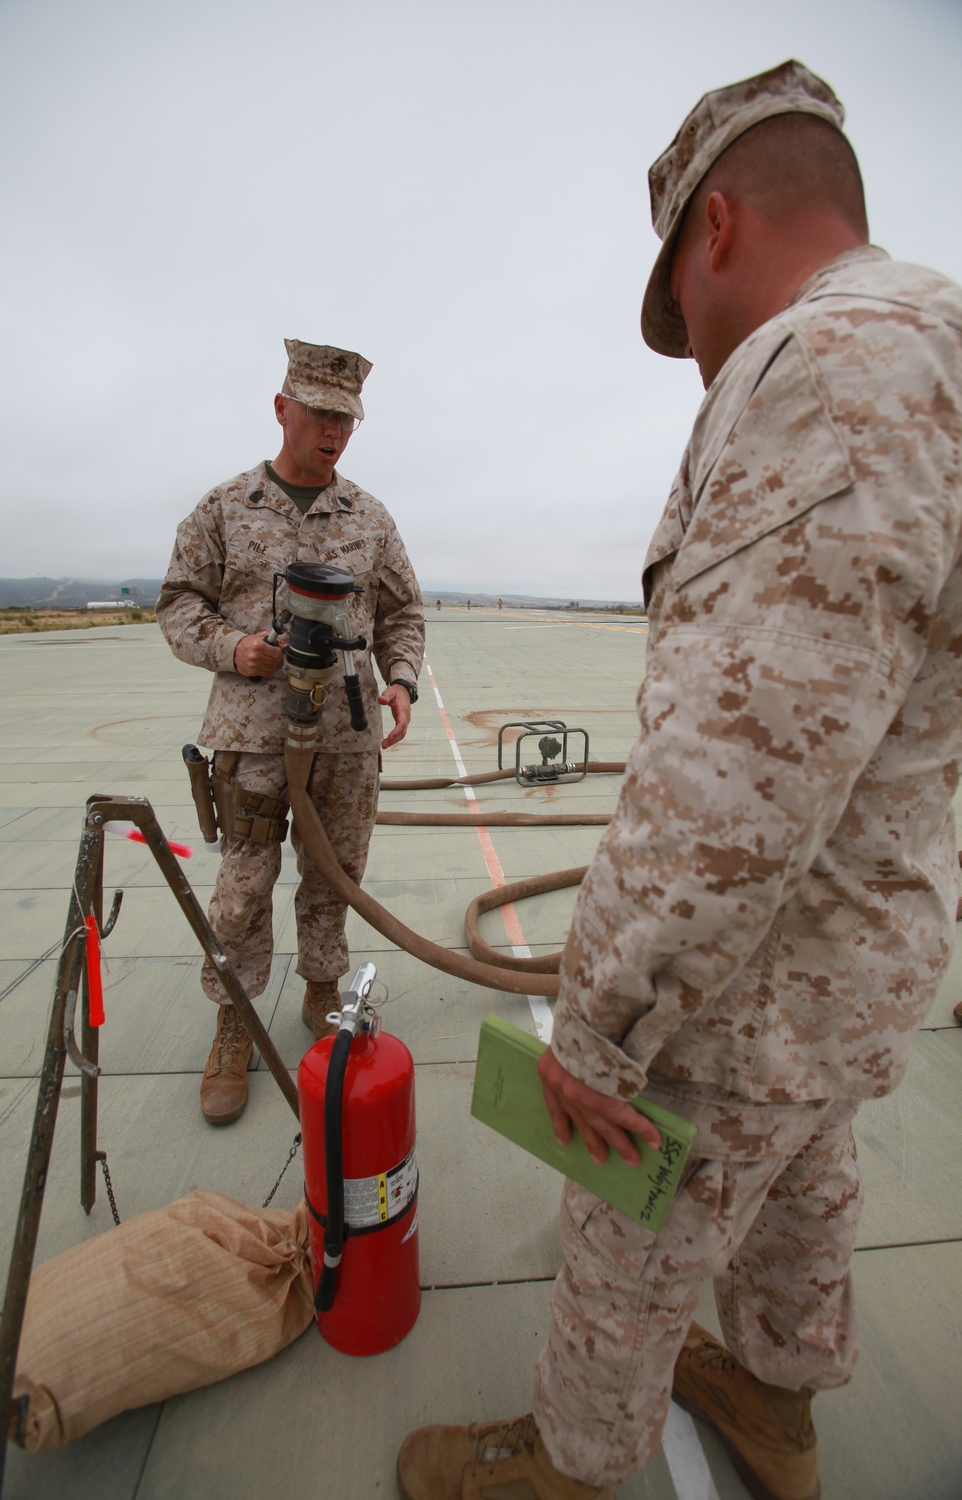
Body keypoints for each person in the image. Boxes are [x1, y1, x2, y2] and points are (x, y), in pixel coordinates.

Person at [397, 60, 962, 1500]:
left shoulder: (818, 368)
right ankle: (779, 1409)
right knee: (804, 1187)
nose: (695, 354)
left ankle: (577, 1468)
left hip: (743, 975)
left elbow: (733, 785)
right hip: (865, 948)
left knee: (628, 1214)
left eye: (683, 314)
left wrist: (600, 1026)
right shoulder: (943, 340)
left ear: (716, 225)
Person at [157, 340, 424, 1126]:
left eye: (347, 416)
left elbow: (403, 610)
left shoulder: (369, 518)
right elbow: (177, 603)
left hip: (347, 729)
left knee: (336, 871)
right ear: (282, 409)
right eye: (320, 412)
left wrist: (401, 679)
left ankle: (321, 986)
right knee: (243, 883)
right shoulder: (225, 507)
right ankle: (233, 1019)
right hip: (252, 727)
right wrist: (233, 648)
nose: (335, 430)